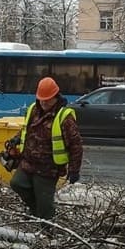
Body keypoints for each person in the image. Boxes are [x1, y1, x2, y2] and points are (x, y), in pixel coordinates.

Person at [7, 76, 83, 220]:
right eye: (41, 99)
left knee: (45, 204)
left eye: (47, 99)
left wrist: (74, 170)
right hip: (28, 163)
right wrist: (16, 139)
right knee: (17, 184)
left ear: (55, 96)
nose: (44, 103)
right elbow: (26, 129)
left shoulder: (64, 117)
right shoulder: (33, 110)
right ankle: (36, 212)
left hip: (48, 169)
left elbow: (76, 145)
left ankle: (47, 232)